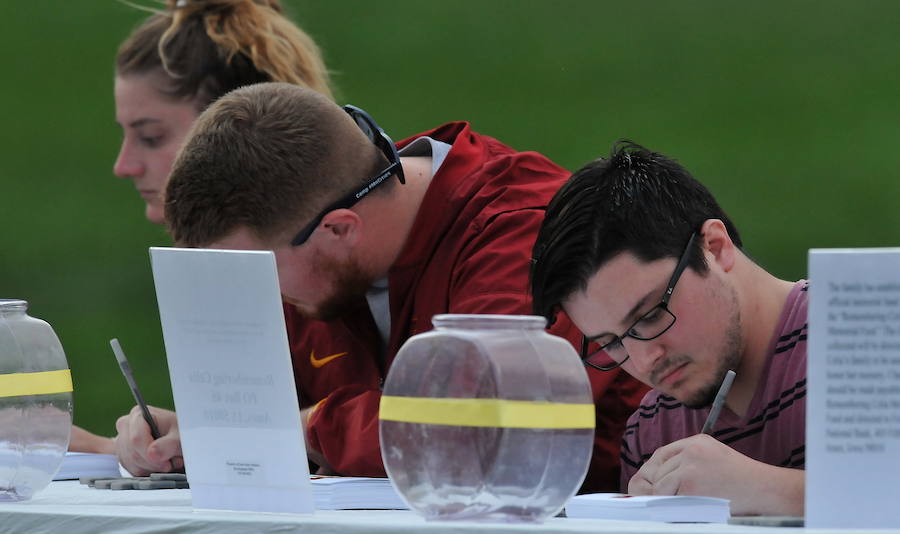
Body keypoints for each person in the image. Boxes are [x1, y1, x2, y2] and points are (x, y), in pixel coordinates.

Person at [131, 82, 649, 490]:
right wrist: (193, 436)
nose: (247, 293)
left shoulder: (524, 228)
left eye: (254, 272)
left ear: (338, 229)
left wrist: (304, 430)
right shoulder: (309, 237)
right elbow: (265, 420)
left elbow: (476, 432)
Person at [106, 0, 333, 466]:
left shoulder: (350, 246)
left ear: (238, 127)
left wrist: (242, 436)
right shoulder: (219, 265)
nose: (123, 165)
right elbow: (253, 454)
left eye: (150, 137)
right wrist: (160, 444)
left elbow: (430, 430)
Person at [529, 141, 806, 515]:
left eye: (649, 315)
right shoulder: (653, 428)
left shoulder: (868, 337)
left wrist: (778, 493)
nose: (644, 361)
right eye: (611, 343)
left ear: (715, 247)